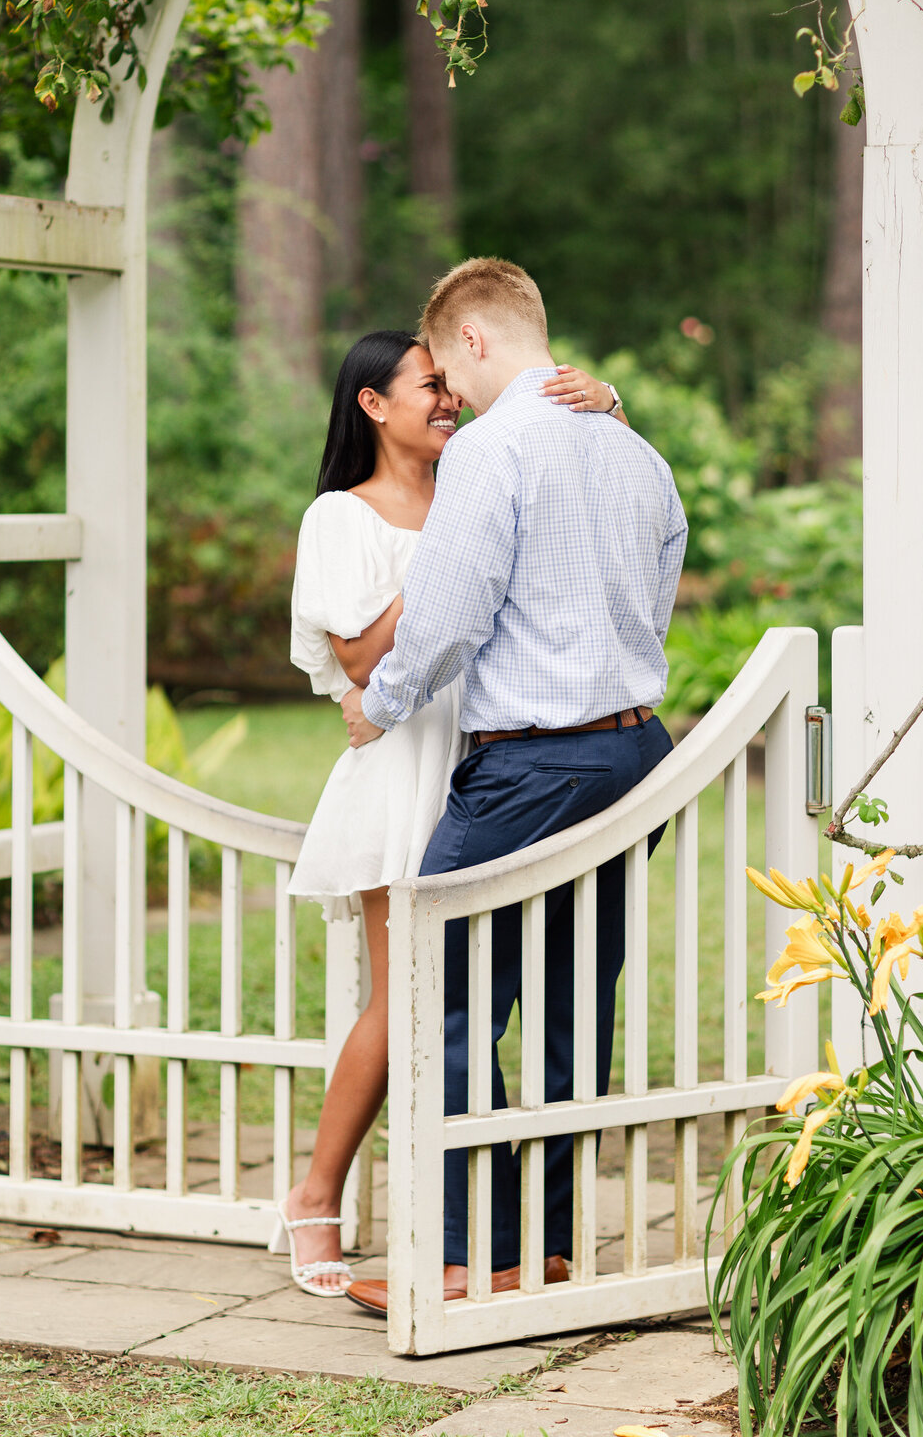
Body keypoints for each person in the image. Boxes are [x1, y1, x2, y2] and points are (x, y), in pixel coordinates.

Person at [339, 258, 687, 1315]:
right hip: (634, 753)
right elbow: (659, 581)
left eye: (445, 367)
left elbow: (447, 612)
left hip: (533, 762)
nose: (448, 392)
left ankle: (459, 1259)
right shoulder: (636, 453)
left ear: (475, 341)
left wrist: (382, 702)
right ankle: (542, 1253)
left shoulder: (493, 452)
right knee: (575, 1008)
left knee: (437, 993)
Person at [270, 328, 623, 1296]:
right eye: (428, 387)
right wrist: (447, 566)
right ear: (374, 406)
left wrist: (610, 401)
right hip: (402, 769)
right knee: (409, 1003)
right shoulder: (340, 518)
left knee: (480, 1005)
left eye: (450, 385)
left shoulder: (478, 481)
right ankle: (316, 1194)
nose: (450, 400)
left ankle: (494, 1235)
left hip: (491, 765)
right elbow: (358, 660)